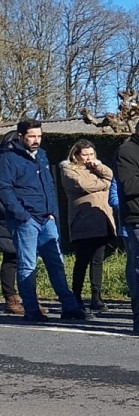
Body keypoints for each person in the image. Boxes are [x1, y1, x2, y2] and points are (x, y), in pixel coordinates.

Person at [0, 120, 90, 322]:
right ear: (21, 136)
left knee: (56, 263)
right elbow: (4, 189)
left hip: (46, 218)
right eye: (31, 136)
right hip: (26, 219)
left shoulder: (41, 155)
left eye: (39, 136)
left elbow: (49, 185)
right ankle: (32, 310)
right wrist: (21, 215)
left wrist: (53, 213)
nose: (36, 140)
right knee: (27, 265)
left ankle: (69, 307)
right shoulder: (8, 158)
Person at [59, 139, 116, 311]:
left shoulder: (96, 168)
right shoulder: (68, 168)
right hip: (82, 221)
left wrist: (98, 166)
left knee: (97, 260)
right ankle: (76, 295)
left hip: (102, 219)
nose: (88, 158)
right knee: (82, 260)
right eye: (85, 155)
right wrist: (104, 184)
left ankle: (96, 296)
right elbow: (83, 185)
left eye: (91, 154)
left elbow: (112, 176)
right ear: (76, 155)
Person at [0, 130, 29, 315]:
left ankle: (18, 297)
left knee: (15, 257)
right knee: (13, 255)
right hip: (5, 215)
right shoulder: (5, 162)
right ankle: (11, 298)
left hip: (13, 214)